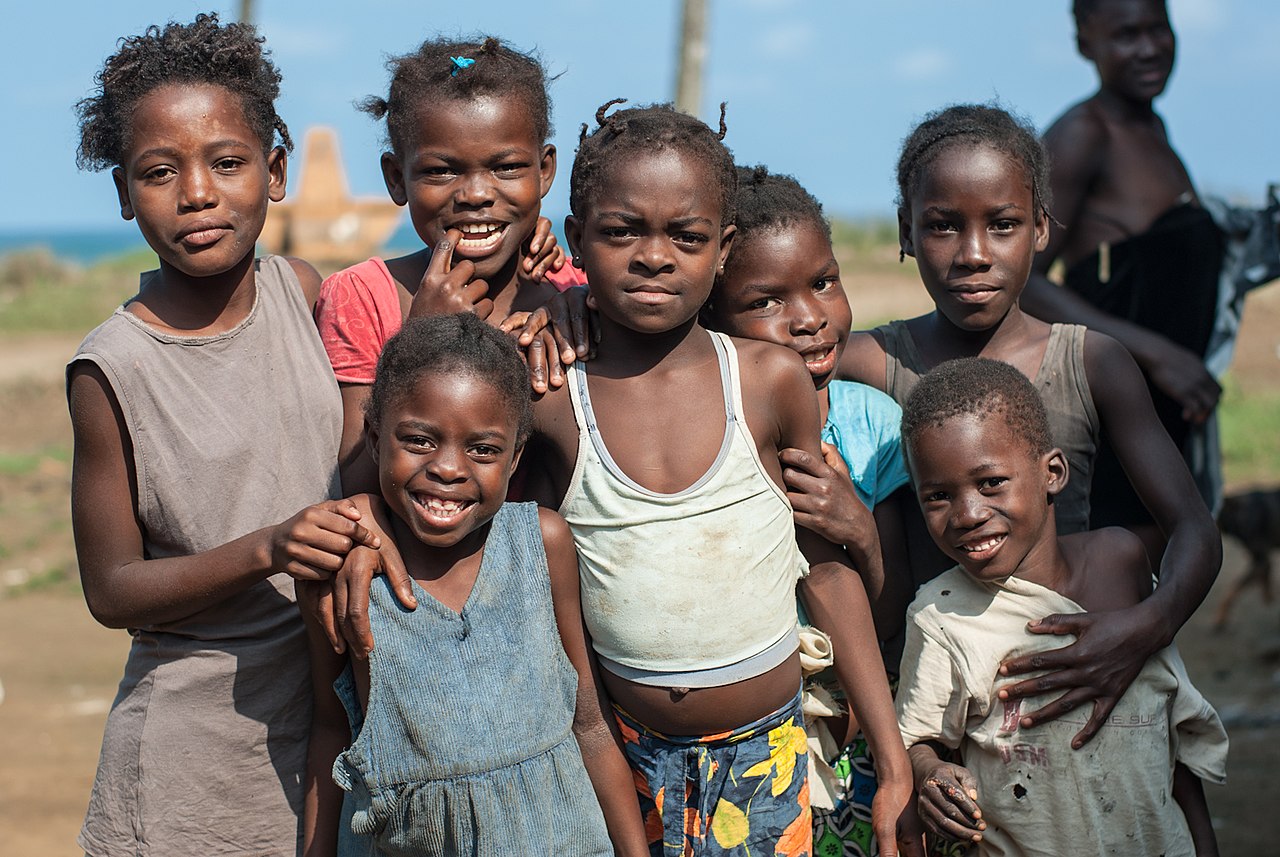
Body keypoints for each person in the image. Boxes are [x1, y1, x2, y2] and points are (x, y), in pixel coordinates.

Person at [325, 101, 922, 857]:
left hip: (770, 759)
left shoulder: (769, 383)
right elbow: (462, 508)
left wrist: (892, 757)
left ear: (722, 245)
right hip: (619, 765)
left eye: (687, 235)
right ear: (577, 240)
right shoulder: (548, 398)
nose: (653, 256)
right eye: (621, 231)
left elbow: (827, 572)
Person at [68, 15, 381, 856]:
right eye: (159, 172)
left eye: (228, 162)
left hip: (332, 737)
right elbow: (112, 590)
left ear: (274, 172)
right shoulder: (112, 368)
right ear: (125, 195)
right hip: (189, 770)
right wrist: (268, 547)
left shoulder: (303, 294)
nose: (198, 193)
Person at [837, 102, 1220, 749]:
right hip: (933, 716)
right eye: (942, 226)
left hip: (1069, 688)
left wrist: (1146, 625)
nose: (974, 254)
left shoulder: (1091, 362)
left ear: (1041, 228)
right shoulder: (871, 365)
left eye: (1004, 223)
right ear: (905, 231)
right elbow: (734, 356)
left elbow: (1194, 528)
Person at [301, 314, 647, 857]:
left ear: (516, 458)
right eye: (418, 440)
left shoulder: (541, 543)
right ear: (373, 437)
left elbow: (589, 724)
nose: (448, 469)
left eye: (482, 450)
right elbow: (330, 731)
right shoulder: (343, 576)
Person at [895, 356, 1226, 857]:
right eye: (938, 496)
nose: (967, 514)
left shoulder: (1122, 562)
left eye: (990, 484)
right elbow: (916, 740)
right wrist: (931, 773)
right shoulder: (942, 616)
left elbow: (1167, 724)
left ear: (1051, 473)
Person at [702, 164, 912, 856]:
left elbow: (897, 620)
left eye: (823, 281)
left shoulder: (876, 427)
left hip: (854, 731)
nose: (809, 317)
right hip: (740, 733)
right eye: (767, 299)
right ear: (712, 314)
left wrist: (861, 533)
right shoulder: (706, 432)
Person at [314, 36, 579, 493]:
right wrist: (421, 339)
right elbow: (357, 484)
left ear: (545, 171)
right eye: (441, 171)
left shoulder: (570, 291)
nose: (476, 194)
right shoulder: (362, 297)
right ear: (397, 178)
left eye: (507, 167)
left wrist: (573, 301)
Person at [1021, 0, 1225, 552]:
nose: (1149, 48)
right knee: (1121, 571)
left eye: (1158, 28)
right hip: (1117, 406)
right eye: (1126, 34)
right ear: (1087, 43)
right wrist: (1158, 355)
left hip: (1165, 406)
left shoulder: (1152, 127)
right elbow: (1024, 277)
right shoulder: (1084, 134)